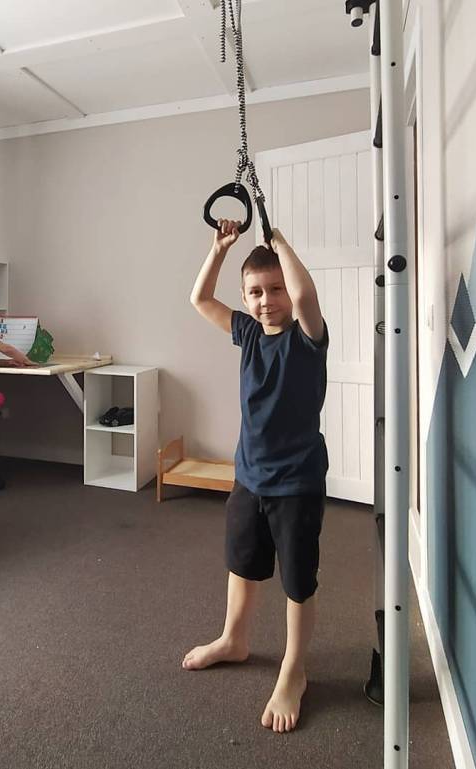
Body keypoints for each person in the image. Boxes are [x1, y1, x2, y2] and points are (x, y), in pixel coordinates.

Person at [184, 219, 329, 734]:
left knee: (297, 581)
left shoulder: (307, 338)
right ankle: (234, 639)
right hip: (249, 477)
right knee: (241, 565)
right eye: (256, 292)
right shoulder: (247, 333)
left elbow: (306, 295)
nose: (267, 300)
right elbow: (200, 298)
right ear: (246, 299)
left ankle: (294, 669)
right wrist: (220, 249)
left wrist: (279, 242)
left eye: (275, 289)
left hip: (296, 483)